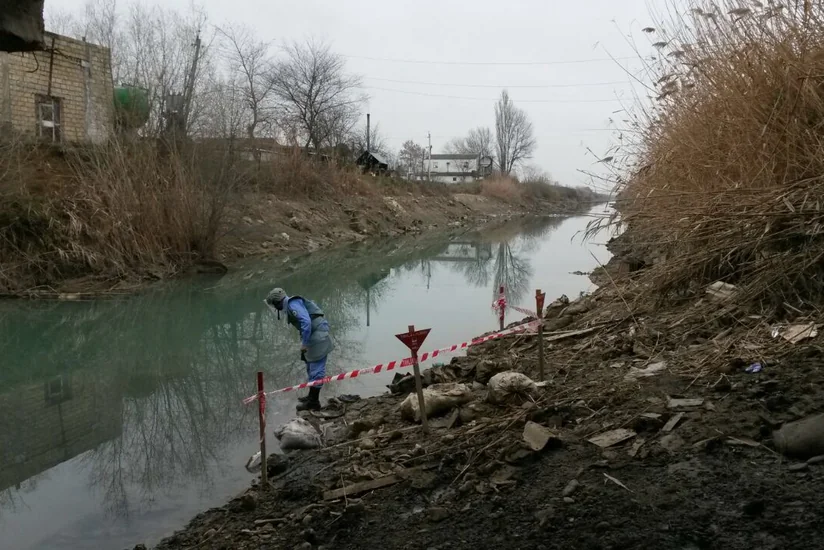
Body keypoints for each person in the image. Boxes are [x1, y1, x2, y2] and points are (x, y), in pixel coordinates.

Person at [265, 288, 334, 411]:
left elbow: (306, 322)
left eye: (275, 305)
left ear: (278, 302)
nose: (275, 308)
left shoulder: (293, 304)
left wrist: (305, 343)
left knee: (316, 369)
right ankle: (311, 396)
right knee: (310, 366)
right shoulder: (291, 305)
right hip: (313, 334)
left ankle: (314, 402)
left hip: (318, 335)